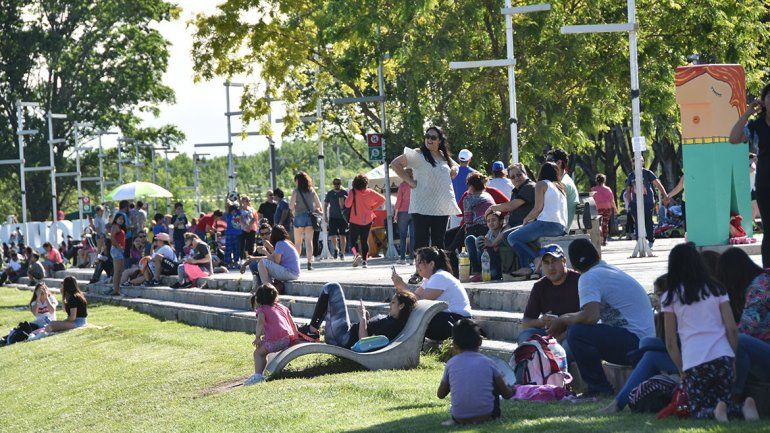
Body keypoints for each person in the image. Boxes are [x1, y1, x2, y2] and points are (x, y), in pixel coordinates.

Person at [546, 238, 655, 397]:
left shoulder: (589, 277)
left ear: (574, 266)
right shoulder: (607, 271)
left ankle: (599, 388)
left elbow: (590, 316)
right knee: (576, 331)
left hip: (636, 343)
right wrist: (563, 321)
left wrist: (562, 320)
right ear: (597, 255)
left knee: (577, 333)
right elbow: (594, 319)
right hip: (643, 342)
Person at [662, 243, 758, 421]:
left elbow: (670, 341)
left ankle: (716, 412)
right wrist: (733, 358)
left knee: (698, 410)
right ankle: (743, 408)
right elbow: (731, 329)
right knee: (724, 399)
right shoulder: (717, 289)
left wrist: (681, 369)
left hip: (695, 362)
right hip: (722, 358)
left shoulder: (671, 296)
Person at [391, 127, 461, 284]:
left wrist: (454, 168)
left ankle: (440, 273)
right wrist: (410, 182)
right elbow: (395, 164)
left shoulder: (444, 156)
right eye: (427, 136)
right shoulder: (417, 154)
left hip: (441, 206)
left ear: (440, 140)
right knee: (421, 240)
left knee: (439, 240)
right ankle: (418, 272)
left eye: (433, 137)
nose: (429, 139)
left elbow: (456, 166)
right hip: (422, 205)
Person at [438, 318, 514, 426]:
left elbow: (440, 394)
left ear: (454, 344)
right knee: (495, 380)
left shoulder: (451, 364)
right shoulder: (489, 363)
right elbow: (506, 394)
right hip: (487, 415)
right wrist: (512, 390)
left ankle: (454, 421)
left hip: (459, 417)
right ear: (480, 341)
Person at [296, 282, 418, 349]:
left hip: (343, 339)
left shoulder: (391, 325)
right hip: (346, 334)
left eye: (393, 302)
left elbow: (364, 342)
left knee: (332, 287)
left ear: (401, 306)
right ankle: (312, 330)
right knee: (332, 289)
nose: (390, 305)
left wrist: (363, 319)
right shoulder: (392, 320)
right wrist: (366, 319)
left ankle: (312, 330)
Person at [716, 247, 770, 397]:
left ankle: (734, 394)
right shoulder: (763, 279)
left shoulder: (759, 287)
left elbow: (747, 327)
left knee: (740, 341)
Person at [391, 247, 472, 341]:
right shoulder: (429, 279)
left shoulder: (440, 276)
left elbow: (420, 303)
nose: (416, 266)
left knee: (414, 315)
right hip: (447, 318)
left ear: (431, 264)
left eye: (419, 262)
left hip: (458, 321)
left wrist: (403, 286)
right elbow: (413, 298)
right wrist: (400, 287)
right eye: (415, 262)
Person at [517, 244, 580, 359]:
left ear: (564, 261)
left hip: (574, 334)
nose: (551, 267)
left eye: (554, 261)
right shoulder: (539, 286)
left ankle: (560, 374)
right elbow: (526, 322)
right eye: (546, 263)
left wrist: (563, 327)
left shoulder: (579, 281)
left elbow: (589, 317)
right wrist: (541, 321)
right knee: (525, 337)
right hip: (550, 335)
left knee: (568, 345)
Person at [730, 84, 770, 267]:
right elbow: (734, 138)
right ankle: (767, 276)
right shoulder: (756, 126)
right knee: (768, 231)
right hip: (765, 184)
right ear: (764, 101)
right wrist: (747, 113)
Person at [506, 162, 568, 279]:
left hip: (547, 224)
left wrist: (526, 219)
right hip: (561, 227)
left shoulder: (541, 184)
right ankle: (530, 267)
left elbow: (538, 208)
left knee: (512, 237)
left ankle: (536, 259)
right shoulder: (560, 187)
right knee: (523, 236)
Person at [243, 283, 300, 385]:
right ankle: (262, 373)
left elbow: (260, 323)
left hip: (274, 342)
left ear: (258, 299)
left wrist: (257, 337)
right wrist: (295, 338)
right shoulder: (282, 307)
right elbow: (292, 323)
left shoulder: (262, 310)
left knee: (258, 353)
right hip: (286, 339)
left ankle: (258, 376)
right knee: (264, 350)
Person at [625, 156, 668, 249]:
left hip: (648, 201)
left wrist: (665, 195)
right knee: (637, 222)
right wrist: (629, 204)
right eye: (634, 161)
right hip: (635, 202)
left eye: (640, 161)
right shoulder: (631, 175)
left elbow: (658, 184)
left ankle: (651, 240)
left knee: (648, 220)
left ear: (643, 162)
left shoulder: (648, 173)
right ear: (633, 163)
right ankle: (639, 241)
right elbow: (628, 190)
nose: (637, 163)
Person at [345, 174, 386, 268]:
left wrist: (348, 197)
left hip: (355, 220)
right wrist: (372, 208)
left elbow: (347, 205)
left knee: (353, 240)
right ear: (366, 183)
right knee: (364, 240)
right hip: (367, 219)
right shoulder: (370, 192)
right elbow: (382, 199)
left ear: (354, 183)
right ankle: (365, 262)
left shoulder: (352, 192)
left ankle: (356, 254)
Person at [289, 172, 323, 271]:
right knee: (309, 241)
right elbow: (319, 205)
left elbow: (291, 207)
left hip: (299, 217)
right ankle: (309, 263)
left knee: (298, 243)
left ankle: (296, 263)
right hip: (309, 218)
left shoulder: (296, 191)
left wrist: (295, 206)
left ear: (298, 181)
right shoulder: (312, 190)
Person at [488, 163, 536, 230]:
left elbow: (510, 206)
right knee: (480, 238)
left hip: (525, 226)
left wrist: (491, 208)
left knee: (509, 237)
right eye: (513, 177)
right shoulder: (516, 189)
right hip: (513, 225)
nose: (516, 178)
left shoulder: (529, 187)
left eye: (519, 175)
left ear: (525, 174)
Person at [465, 211, 505, 282]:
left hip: (494, 265)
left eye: (494, 220)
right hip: (484, 259)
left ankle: (489, 272)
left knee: (480, 240)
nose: (491, 223)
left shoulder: (504, 231)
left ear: (501, 221)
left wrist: (492, 244)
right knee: (470, 238)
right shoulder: (490, 232)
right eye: (488, 221)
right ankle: (476, 271)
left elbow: (498, 250)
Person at [546, 148, 580, 230]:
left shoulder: (564, 184)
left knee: (513, 236)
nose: (546, 164)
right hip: (558, 224)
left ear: (559, 163)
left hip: (558, 228)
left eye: (549, 160)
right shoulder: (563, 180)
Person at [324, 179, 349, 261]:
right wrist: (325, 216)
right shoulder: (330, 193)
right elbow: (325, 204)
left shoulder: (344, 192)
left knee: (343, 235)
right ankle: (336, 249)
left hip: (343, 217)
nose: (336, 185)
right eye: (335, 183)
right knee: (332, 235)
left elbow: (349, 204)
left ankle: (342, 253)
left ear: (340, 184)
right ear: (333, 184)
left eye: (338, 183)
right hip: (333, 217)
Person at [591, 174, 618, 246]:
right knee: (605, 224)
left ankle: (599, 238)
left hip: (597, 208)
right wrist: (615, 209)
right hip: (607, 208)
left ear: (597, 180)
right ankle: (605, 240)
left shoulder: (593, 190)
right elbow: (612, 200)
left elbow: (591, 200)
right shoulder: (608, 189)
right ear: (604, 180)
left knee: (598, 224)